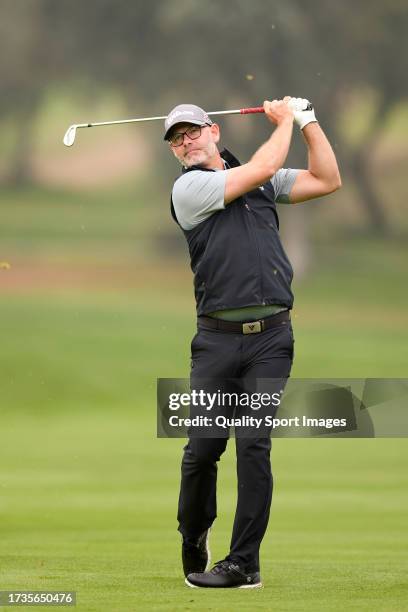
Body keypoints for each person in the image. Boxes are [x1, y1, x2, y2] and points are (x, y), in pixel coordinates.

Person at [164, 97, 341, 588]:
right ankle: (194, 532)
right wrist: (283, 120)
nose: (185, 143)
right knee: (203, 450)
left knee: (253, 446)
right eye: (176, 139)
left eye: (191, 132)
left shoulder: (262, 181)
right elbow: (265, 162)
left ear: (213, 131)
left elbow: (327, 179)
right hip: (216, 343)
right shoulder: (191, 189)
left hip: (272, 340)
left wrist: (307, 121)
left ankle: (244, 564)